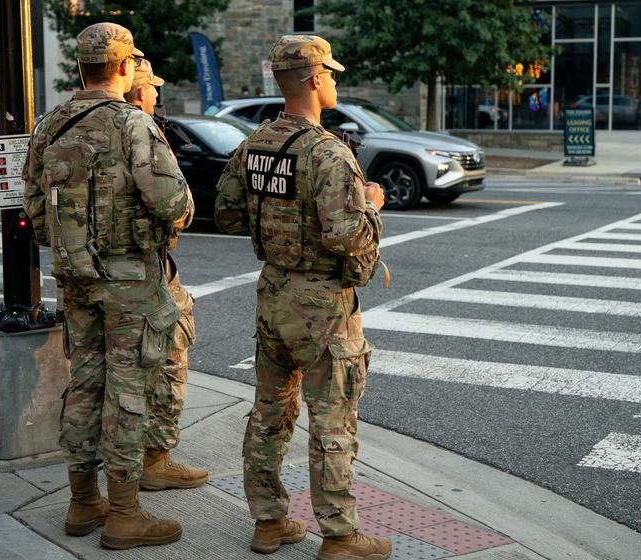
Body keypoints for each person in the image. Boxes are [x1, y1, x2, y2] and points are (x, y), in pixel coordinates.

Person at [214, 35, 390, 560]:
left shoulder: (255, 144)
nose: (335, 81)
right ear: (314, 79)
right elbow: (345, 236)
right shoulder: (328, 153)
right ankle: (339, 535)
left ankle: (269, 523)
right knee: (331, 419)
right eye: (331, 74)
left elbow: (225, 214)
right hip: (322, 305)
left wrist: (275, 226)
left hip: (273, 294)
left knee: (269, 412)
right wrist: (373, 206)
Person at [22, 22, 192, 550]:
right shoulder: (133, 124)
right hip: (130, 283)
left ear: (80, 67)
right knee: (126, 392)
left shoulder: (48, 125)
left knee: (84, 384)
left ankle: (81, 502)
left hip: (74, 280)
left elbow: (31, 208)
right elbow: (175, 204)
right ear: (123, 68)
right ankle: (124, 513)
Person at [123, 58, 209, 491]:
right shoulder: (141, 132)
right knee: (169, 357)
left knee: (97, 377)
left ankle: (86, 496)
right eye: (153, 88)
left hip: (85, 275)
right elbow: (177, 209)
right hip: (143, 273)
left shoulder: (62, 125)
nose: (157, 95)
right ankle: (155, 460)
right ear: (139, 92)